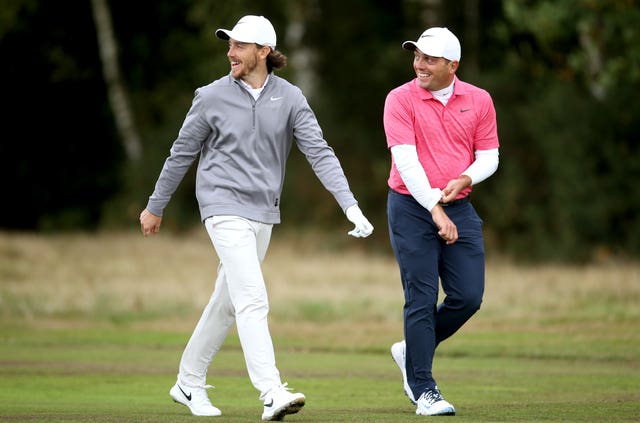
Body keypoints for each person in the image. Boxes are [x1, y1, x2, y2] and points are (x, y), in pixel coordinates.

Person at [139, 15, 374, 421]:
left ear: (264, 51)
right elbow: (181, 153)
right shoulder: (210, 96)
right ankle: (270, 391)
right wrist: (156, 205)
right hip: (221, 206)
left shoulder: (291, 98)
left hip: (264, 212)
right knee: (252, 297)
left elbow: (319, 152)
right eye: (229, 45)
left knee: (228, 301)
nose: (230, 52)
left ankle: (188, 381)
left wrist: (349, 205)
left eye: (240, 46)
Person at [383, 27, 500, 416]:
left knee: (468, 297)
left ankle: (411, 349)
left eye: (429, 59)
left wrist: (467, 177)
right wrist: (434, 208)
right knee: (420, 297)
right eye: (416, 56)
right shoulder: (399, 99)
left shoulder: (479, 99)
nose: (419, 64)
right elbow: (406, 162)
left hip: (459, 205)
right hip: (410, 207)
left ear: (453, 64)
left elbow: (489, 156)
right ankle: (424, 389)